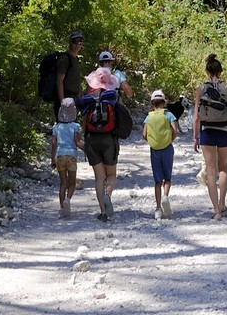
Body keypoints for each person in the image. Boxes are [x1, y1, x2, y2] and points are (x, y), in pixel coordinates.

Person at [80, 50, 133, 221]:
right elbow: (122, 114)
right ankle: (108, 195)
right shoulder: (113, 92)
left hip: (91, 137)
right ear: (111, 62)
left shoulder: (90, 90)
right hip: (109, 137)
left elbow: (82, 114)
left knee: (98, 177)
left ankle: (103, 212)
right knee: (111, 175)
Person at [193, 54, 227, 221]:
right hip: (224, 130)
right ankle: (222, 203)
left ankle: (216, 211)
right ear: (220, 71)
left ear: (207, 71)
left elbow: (197, 116)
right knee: (223, 167)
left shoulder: (201, 89)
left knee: (210, 172)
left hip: (207, 132)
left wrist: (195, 137)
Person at [142, 89, 178, 218]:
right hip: (167, 148)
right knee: (167, 178)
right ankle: (165, 197)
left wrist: (152, 142)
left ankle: (158, 208)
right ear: (164, 102)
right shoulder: (169, 115)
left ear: (152, 104)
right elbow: (175, 130)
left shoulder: (148, 116)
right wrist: (169, 140)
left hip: (154, 150)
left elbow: (144, 134)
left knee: (157, 180)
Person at [50, 97, 84, 217]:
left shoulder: (56, 127)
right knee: (72, 182)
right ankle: (68, 200)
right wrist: (88, 149)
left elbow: (53, 143)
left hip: (60, 156)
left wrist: (52, 159)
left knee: (63, 183)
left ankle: (61, 209)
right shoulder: (75, 126)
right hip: (71, 156)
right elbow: (78, 142)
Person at [54, 30, 85, 118]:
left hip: (74, 98)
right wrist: (62, 101)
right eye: (74, 42)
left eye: (79, 42)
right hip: (65, 98)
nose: (77, 45)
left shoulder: (76, 59)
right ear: (70, 42)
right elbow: (59, 81)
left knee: (72, 127)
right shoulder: (65, 59)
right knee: (64, 127)